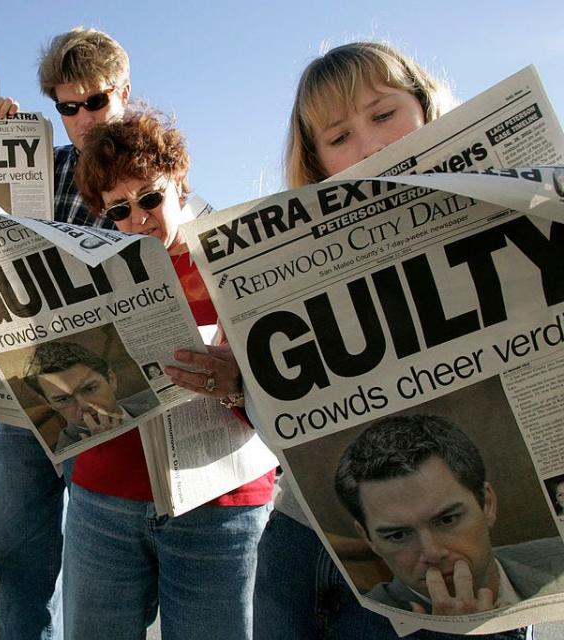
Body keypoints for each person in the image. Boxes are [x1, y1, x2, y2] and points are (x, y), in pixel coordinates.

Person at [251, 41, 532, 640]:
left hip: (453, 557)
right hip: (301, 543)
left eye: (384, 115)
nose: (371, 146)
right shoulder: (284, 257)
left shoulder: (515, 210)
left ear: (427, 108)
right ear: (319, 161)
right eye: (338, 136)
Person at [69, 107, 277, 639]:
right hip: (104, 501)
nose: (137, 218)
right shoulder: (92, 273)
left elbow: (292, 394)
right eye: (118, 209)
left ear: (179, 187)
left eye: (150, 198)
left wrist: (237, 387)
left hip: (221, 508)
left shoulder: (237, 260)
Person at [0, 27, 130, 640]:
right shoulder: (41, 167)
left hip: (102, 383)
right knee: (17, 552)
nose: (82, 118)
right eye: (67, 107)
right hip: (24, 381)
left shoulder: (150, 174)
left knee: (100, 561)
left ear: (123, 90)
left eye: (95, 101)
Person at [333, 414, 564, 615]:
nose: (432, 553)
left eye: (446, 520)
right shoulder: (358, 625)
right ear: (368, 538)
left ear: (487, 504)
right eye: (398, 535)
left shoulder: (558, 555)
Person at [23, 340, 158, 452]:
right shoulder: (69, 456)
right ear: (49, 403)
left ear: (111, 379)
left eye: (89, 389)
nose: (84, 405)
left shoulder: (155, 399)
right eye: (64, 399)